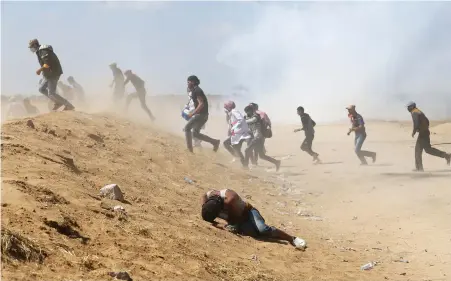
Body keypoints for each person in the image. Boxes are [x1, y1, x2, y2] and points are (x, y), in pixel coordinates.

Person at [201, 189, 307, 250]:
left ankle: (292, 238)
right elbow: (204, 196)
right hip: (238, 220)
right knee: (256, 235)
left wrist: (231, 226)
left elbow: (236, 218)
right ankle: (276, 236)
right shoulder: (210, 201)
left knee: (263, 229)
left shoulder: (229, 199)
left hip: (249, 212)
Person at [28, 39, 74, 111]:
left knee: (51, 93)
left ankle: (68, 105)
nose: (31, 49)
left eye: (31, 47)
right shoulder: (39, 51)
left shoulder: (43, 51)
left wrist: (39, 70)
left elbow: (47, 64)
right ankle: (58, 102)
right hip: (48, 74)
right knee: (41, 89)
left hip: (53, 73)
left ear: (35, 45)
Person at [407, 101, 450, 171]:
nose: (407, 109)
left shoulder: (414, 112)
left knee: (424, 150)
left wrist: (414, 132)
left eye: (408, 107)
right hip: (424, 132)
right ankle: (419, 167)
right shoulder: (419, 111)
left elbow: (416, 123)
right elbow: (427, 121)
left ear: (412, 107)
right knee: (422, 150)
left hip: (423, 133)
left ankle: (419, 168)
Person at [184, 75, 220, 153]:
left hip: (200, 115)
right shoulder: (195, 90)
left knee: (187, 128)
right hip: (203, 115)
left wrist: (192, 113)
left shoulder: (197, 90)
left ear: (193, 82)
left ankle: (189, 150)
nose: (187, 84)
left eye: (188, 82)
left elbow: (201, 104)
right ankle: (215, 142)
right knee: (195, 134)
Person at [245, 105, 281, 171]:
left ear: (251, 111)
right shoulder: (249, 117)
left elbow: (252, 120)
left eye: (247, 112)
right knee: (261, 156)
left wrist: (243, 121)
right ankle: (276, 162)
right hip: (259, 138)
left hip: (258, 137)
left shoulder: (256, 116)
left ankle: (245, 167)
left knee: (247, 150)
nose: (247, 113)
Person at [223, 101, 252, 167]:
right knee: (237, 149)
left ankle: (239, 159)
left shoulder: (234, 111)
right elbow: (229, 123)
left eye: (226, 107)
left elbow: (241, 119)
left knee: (227, 144)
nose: (225, 109)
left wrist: (234, 127)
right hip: (236, 134)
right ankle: (244, 164)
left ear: (229, 107)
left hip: (239, 134)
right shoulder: (230, 113)